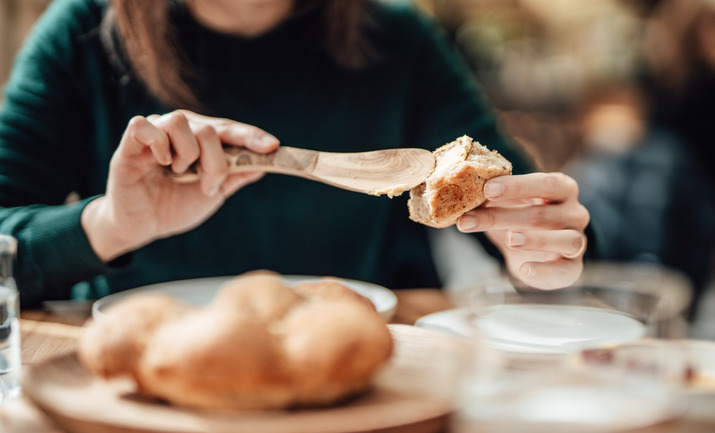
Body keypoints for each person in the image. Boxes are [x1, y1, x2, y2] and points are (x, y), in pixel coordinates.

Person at [0, 0, 589, 309]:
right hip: (136, 379)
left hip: (352, 379)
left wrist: (536, 251)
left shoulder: (399, 38)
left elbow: (532, 215)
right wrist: (111, 225)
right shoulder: (82, 31)